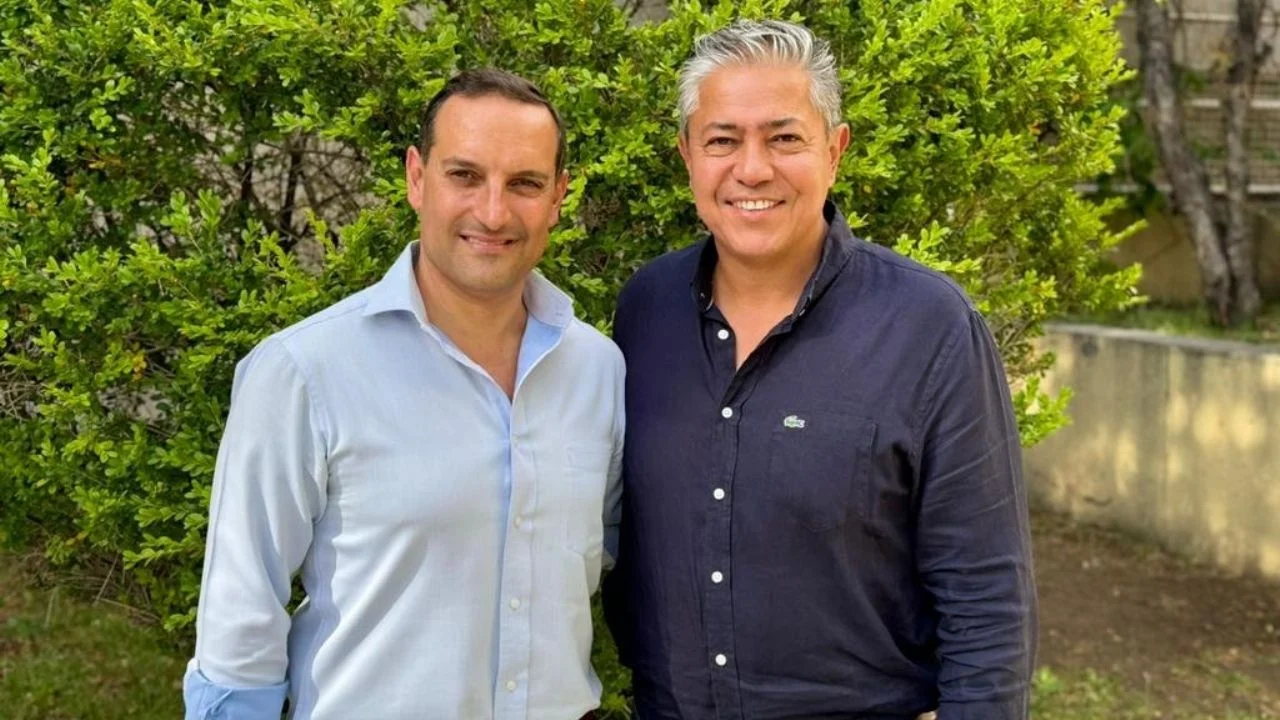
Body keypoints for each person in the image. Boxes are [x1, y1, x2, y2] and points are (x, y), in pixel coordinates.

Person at [603, 19, 1037, 720]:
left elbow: (987, 597)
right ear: (687, 156)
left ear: (835, 151)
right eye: (722, 140)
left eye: (784, 138)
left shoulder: (929, 327)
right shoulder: (645, 312)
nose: (752, 169)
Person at [183, 68, 625, 720]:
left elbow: (597, 562)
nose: (493, 212)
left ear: (558, 196)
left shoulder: (597, 370)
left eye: (525, 183)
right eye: (465, 175)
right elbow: (238, 622)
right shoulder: (304, 372)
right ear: (417, 177)